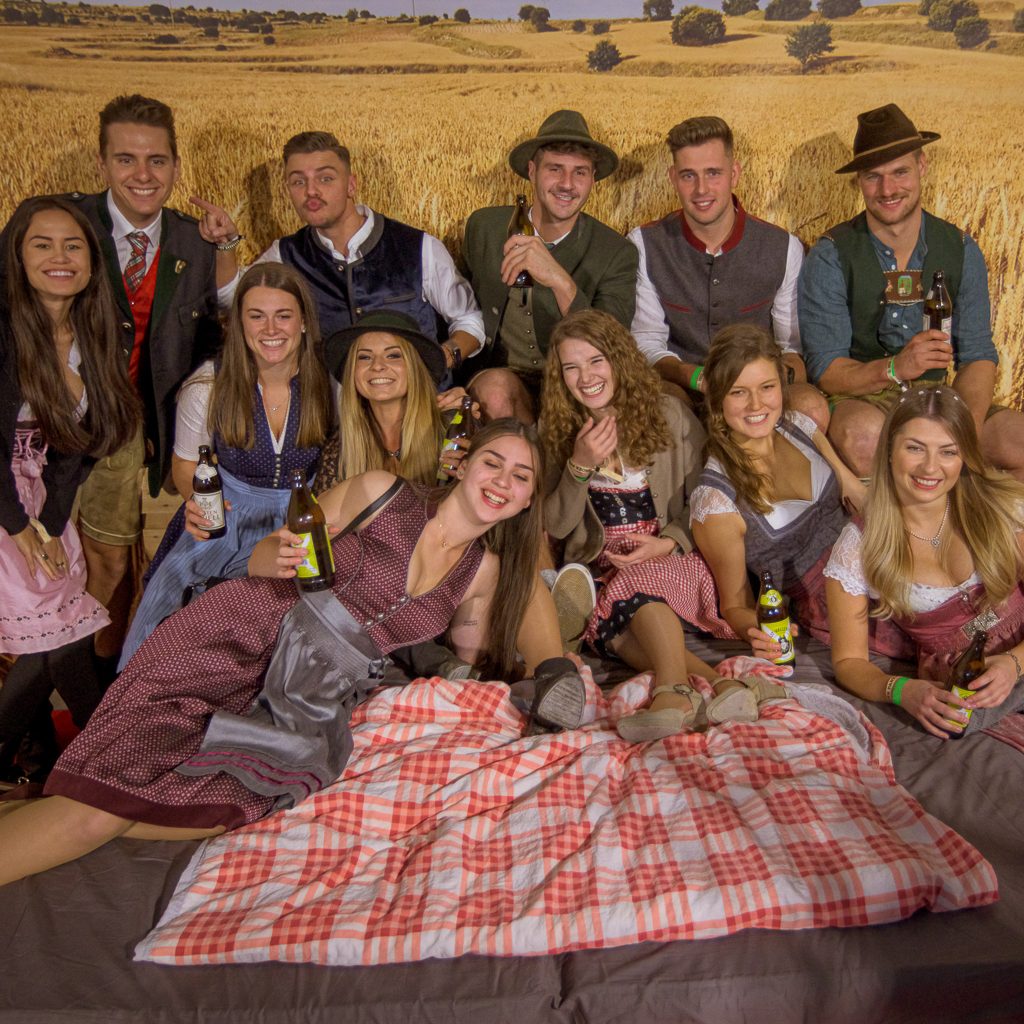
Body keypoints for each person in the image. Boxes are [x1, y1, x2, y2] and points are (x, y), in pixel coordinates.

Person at [0, 420, 586, 887]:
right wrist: (267, 557)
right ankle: (68, 809)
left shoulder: (483, 574)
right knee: (100, 810)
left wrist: (556, 666)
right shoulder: (382, 493)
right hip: (238, 636)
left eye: (521, 477)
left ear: (528, 500)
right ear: (462, 463)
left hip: (303, 697)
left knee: (228, 806)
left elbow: (522, 604)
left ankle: (40, 808)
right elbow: (272, 549)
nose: (502, 481)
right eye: (492, 462)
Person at [0, 95, 238, 669]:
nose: (142, 174)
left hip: (151, 430)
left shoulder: (196, 241)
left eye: (157, 160)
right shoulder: (60, 223)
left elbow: (221, 327)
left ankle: (107, 677)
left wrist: (229, 250)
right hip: (55, 431)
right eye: (126, 159)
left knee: (133, 562)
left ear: (176, 166)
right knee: (59, 563)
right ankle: (63, 682)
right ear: (102, 163)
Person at [540, 309, 777, 741]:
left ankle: (672, 691)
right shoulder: (555, 429)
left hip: (672, 556)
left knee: (634, 585)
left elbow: (707, 496)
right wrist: (579, 466)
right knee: (610, 628)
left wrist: (666, 543)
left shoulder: (669, 413)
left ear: (618, 360)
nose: (585, 377)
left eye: (596, 361)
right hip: (603, 568)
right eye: (570, 367)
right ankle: (721, 685)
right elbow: (556, 526)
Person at [117, 263, 335, 669]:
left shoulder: (329, 383)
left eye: (283, 316)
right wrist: (199, 503)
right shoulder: (209, 384)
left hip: (300, 518)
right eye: (257, 316)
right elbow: (186, 463)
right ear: (239, 324)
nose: (271, 329)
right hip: (227, 516)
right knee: (176, 630)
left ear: (304, 322)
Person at [799, 103, 1024, 481]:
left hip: (940, 399)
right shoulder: (831, 254)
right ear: (859, 182)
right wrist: (894, 368)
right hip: (863, 401)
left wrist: (960, 435)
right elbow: (827, 371)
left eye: (900, 172)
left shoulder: (960, 248)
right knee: (864, 437)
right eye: (873, 176)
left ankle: (969, 514)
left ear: (922, 166)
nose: (887, 190)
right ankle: (893, 517)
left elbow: (977, 356)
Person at [0, 197, 140, 783]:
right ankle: (113, 751)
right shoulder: (3, 330)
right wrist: (18, 527)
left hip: (38, 501)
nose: (59, 257)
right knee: (54, 639)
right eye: (42, 244)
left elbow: (77, 449)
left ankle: (98, 750)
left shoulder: (93, 334)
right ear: (17, 256)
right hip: (4, 501)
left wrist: (52, 524)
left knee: (61, 634)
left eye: (73, 245)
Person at [825, 386, 1024, 738]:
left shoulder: (1000, 507)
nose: (930, 467)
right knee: (957, 723)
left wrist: (1014, 664)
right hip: (962, 687)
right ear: (889, 450)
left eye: (948, 451)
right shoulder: (858, 546)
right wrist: (901, 690)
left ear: (964, 456)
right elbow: (848, 662)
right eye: (915, 448)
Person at [240, 131, 484, 388]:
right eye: (298, 182)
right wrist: (226, 244)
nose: (311, 191)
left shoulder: (420, 247)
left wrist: (441, 359)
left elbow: (469, 320)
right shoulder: (285, 253)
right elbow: (235, 298)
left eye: (325, 178)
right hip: (331, 408)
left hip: (418, 402)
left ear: (351, 185)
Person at [629, 116, 826, 428]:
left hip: (759, 391)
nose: (701, 189)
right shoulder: (644, 244)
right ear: (672, 178)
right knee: (662, 409)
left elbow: (792, 349)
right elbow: (646, 343)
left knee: (810, 407)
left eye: (713, 173)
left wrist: (755, 384)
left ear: (734, 174)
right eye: (688, 176)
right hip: (682, 387)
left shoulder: (783, 247)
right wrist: (695, 377)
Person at [690, 324, 864, 660]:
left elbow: (858, 496)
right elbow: (735, 604)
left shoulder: (798, 426)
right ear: (717, 398)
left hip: (873, 557)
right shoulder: (715, 501)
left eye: (766, 387)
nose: (756, 404)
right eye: (738, 392)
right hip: (831, 601)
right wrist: (757, 633)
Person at [463, 110, 638, 424]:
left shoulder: (616, 252)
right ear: (532, 171)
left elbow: (611, 345)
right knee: (495, 390)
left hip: (577, 383)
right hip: (500, 376)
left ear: (593, 179)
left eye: (580, 172)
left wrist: (559, 279)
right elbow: (462, 309)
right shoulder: (485, 228)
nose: (567, 184)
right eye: (555, 169)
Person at [314, 310, 455, 493]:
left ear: (415, 367)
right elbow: (320, 510)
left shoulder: (451, 430)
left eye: (393, 355)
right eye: (364, 357)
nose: (377, 366)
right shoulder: (339, 448)